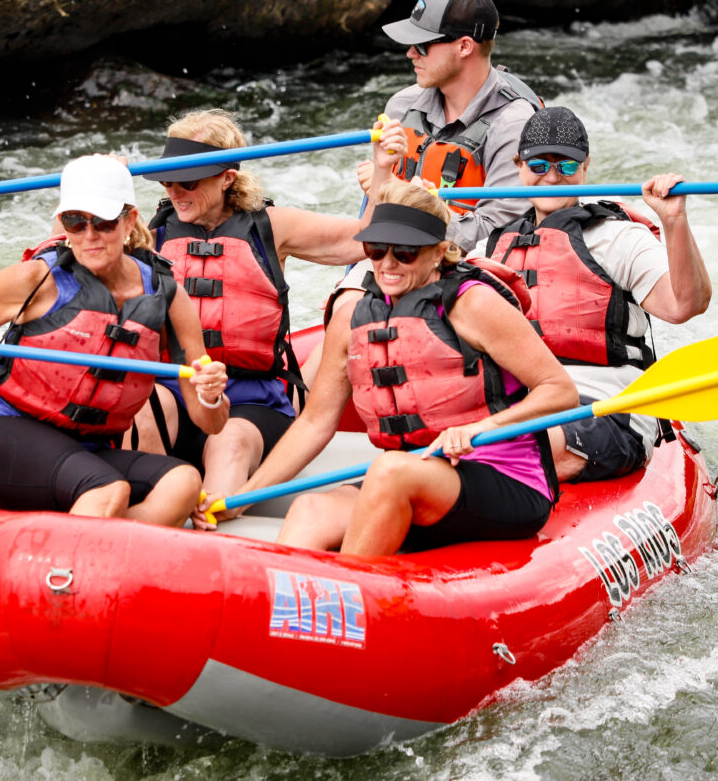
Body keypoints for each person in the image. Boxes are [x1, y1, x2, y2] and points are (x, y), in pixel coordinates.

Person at [237, 181, 578, 555]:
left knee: (389, 471)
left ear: (437, 253)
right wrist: (243, 498)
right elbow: (315, 422)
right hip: (411, 477)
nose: (387, 264)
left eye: (404, 252)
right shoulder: (352, 316)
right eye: (376, 249)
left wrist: (480, 428)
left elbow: (560, 390)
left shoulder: (475, 304)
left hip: (503, 478)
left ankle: (354, 596)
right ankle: (289, 610)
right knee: (312, 509)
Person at [0, 155, 229, 526]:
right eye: (75, 222)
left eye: (102, 223)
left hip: (84, 449)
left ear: (129, 220)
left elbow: (211, 422)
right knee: (105, 490)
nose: (88, 236)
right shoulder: (37, 279)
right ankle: (67, 569)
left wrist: (209, 394)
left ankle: (92, 546)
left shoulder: (167, 295)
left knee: (182, 482)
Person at [128, 109, 387, 529]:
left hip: (254, 400)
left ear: (226, 178)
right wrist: (105, 190)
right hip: (175, 390)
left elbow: (364, 240)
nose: (175, 191)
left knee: (228, 441)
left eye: (188, 182)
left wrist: (382, 171)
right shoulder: (147, 232)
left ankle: (215, 526)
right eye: (165, 181)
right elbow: (79, 249)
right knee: (136, 407)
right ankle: (143, 522)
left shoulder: (271, 226)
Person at [304, 0, 540, 382]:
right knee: (349, 307)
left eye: (423, 44)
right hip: (397, 256)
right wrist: (381, 176)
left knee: (364, 298)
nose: (410, 53)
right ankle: (289, 417)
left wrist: (413, 209)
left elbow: (498, 232)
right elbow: (373, 221)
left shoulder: (513, 124)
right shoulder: (402, 104)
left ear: (464, 46)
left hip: (466, 270)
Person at [477, 106, 712, 482]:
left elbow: (686, 305)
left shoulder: (617, 236)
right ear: (519, 166)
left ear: (586, 168)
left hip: (605, 409)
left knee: (528, 444)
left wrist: (674, 222)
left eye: (566, 166)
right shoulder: (490, 248)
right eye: (538, 166)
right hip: (519, 407)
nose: (551, 178)